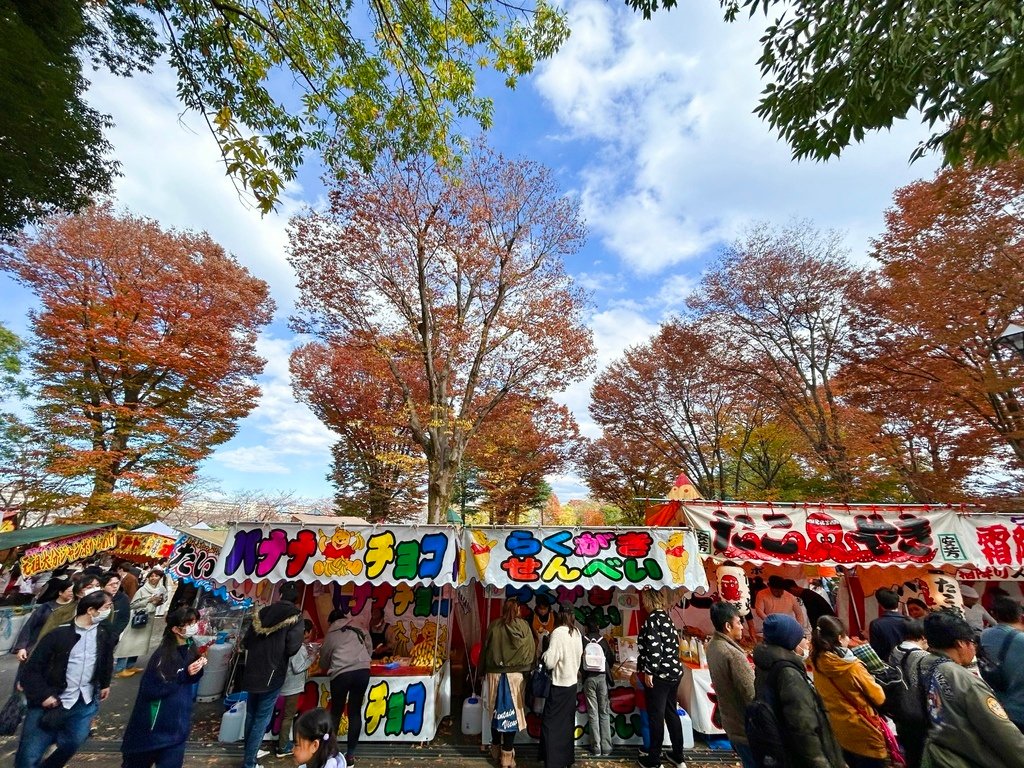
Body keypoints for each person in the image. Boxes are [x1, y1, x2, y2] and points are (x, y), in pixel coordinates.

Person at [14, 590, 115, 768]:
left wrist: (105, 683)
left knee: (73, 742)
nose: (109, 611)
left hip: (83, 701)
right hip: (49, 702)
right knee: (29, 755)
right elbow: (31, 670)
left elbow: (105, 660)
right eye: (107, 607)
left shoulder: (103, 634)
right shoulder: (57, 635)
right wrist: (44, 695)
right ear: (91, 610)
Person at [921, 610, 1024, 768]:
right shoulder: (965, 681)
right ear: (961, 643)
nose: (975, 649)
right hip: (966, 759)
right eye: (972, 643)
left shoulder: (925, 665)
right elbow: (1001, 732)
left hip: (940, 754)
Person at [752, 613, 844, 768]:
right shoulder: (789, 673)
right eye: (802, 637)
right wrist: (820, 762)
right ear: (790, 640)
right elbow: (803, 725)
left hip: (781, 749)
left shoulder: (766, 662)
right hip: (796, 756)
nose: (807, 642)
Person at [120, 607, 207, 768]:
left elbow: (190, 678)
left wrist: (196, 669)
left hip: (177, 731)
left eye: (194, 622)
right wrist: (185, 674)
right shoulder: (162, 656)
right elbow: (153, 689)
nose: (193, 626)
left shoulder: (189, 648)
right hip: (152, 730)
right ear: (175, 628)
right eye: (188, 623)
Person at [241, 581, 305, 768]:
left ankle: (250, 752)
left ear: (280, 595)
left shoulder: (261, 613)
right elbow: (292, 647)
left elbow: (247, 641)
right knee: (262, 717)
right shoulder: (295, 617)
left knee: (251, 713)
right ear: (296, 599)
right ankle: (249, 762)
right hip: (272, 673)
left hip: (252, 670)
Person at [810, 615, 887, 768]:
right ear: (840, 638)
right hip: (864, 730)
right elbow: (879, 697)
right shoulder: (851, 667)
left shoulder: (816, 661)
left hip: (838, 728)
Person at [481, 598, 535, 768]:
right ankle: (507, 756)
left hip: (494, 674)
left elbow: (486, 648)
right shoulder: (524, 626)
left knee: (496, 713)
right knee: (511, 715)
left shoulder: (494, 625)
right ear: (518, 609)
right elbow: (531, 650)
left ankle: (496, 750)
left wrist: (482, 671)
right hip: (516, 677)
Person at [637, 589, 686, 768]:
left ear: (649, 601)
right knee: (671, 712)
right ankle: (678, 755)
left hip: (660, 675)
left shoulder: (652, 620)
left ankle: (654, 758)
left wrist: (649, 671)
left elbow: (655, 649)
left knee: (656, 715)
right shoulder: (666, 618)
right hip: (674, 672)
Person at [319, 605, 372, 764]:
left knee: (336, 712)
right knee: (355, 711)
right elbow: (369, 648)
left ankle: (330, 752)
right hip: (362, 671)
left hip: (341, 674)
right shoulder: (359, 627)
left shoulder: (331, 634)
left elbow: (324, 660)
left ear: (331, 622)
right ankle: (350, 754)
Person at [705, 602, 755, 768]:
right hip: (744, 725)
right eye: (739, 622)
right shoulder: (733, 654)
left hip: (731, 722)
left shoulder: (712, 646)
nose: (742, 627)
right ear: (728, 626)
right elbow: (751, 693)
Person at [541, 604, 584, 768]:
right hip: (572, 684)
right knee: (566, 724)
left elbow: (551, 661)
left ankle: (552, 761)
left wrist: (544, 654)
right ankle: (565, 759)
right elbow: (579, 656)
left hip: (559, 684)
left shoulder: (558, 633)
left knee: (549, 724)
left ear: (560, 615)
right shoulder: (577, 633)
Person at [889, 620, 934, 768]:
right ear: (922, 637)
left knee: (909, 752)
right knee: (921, 753)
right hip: (918, 712)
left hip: (899, 708)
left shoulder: (896, 650)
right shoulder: (922, 656)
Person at [272, 619, 316, 759]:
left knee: (288, 715)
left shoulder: (288, 642)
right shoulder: (296, 646)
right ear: (305, 632)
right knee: (288, 716)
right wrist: (312, 658)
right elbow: (298, 667)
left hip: (287, 684)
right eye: (308, 633)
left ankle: (284, 743)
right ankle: (283, 746)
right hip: (292, 687)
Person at [980, 596, 1024, 731]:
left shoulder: (985, 635)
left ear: (994, 614)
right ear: (1020, 616)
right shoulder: (1021, 639)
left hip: (998, 708)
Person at [115, 568, 167, 676]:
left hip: (149, 618)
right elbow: (133, 605)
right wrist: (148, 600)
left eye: (156, 576)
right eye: (152, 576)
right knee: (128, 643)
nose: (154, 578)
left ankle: (130, 666)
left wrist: (159, 601)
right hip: (139, 617)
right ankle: (119, 669)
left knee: (140, 644)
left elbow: (162, 601)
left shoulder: (161, 589)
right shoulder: (142, 590)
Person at [13, 577, 74, 662]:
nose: (72, 594)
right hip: (37, 646)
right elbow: (29, 626)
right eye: (70, 591)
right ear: (60, 592)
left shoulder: (75, 609)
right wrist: (22, 647)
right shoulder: (46, 607)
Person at [581, 616, 615, 758]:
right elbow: (611, 659)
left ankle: (596, 747)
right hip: (602, 678)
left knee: (593, 713)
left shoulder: (583, 640)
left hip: (589, 678)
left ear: (586, 628)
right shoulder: (603, 641)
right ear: (598, 628)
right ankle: (606, 747)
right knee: (604, 712)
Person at [36, 574, 102, 645]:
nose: (95, 589)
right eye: (89, 587)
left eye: (97, 586)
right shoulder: (60, 612)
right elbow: (45, 637)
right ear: (78, 593)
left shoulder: (105, 611)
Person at [868, 588, 907, 662]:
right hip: (908, 661)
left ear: (880, 604)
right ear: (898, 603)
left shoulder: (876, 624)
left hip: (888, 663)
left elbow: (876, 649)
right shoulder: (909, 621)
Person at [101, 574, 130, 659]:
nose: (115, 586)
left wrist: (114, 634)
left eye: (117, 583)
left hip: (112, 637)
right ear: (102, 586)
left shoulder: (123, 598)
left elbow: (124, 618)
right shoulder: (96, 598)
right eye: (111, 584)